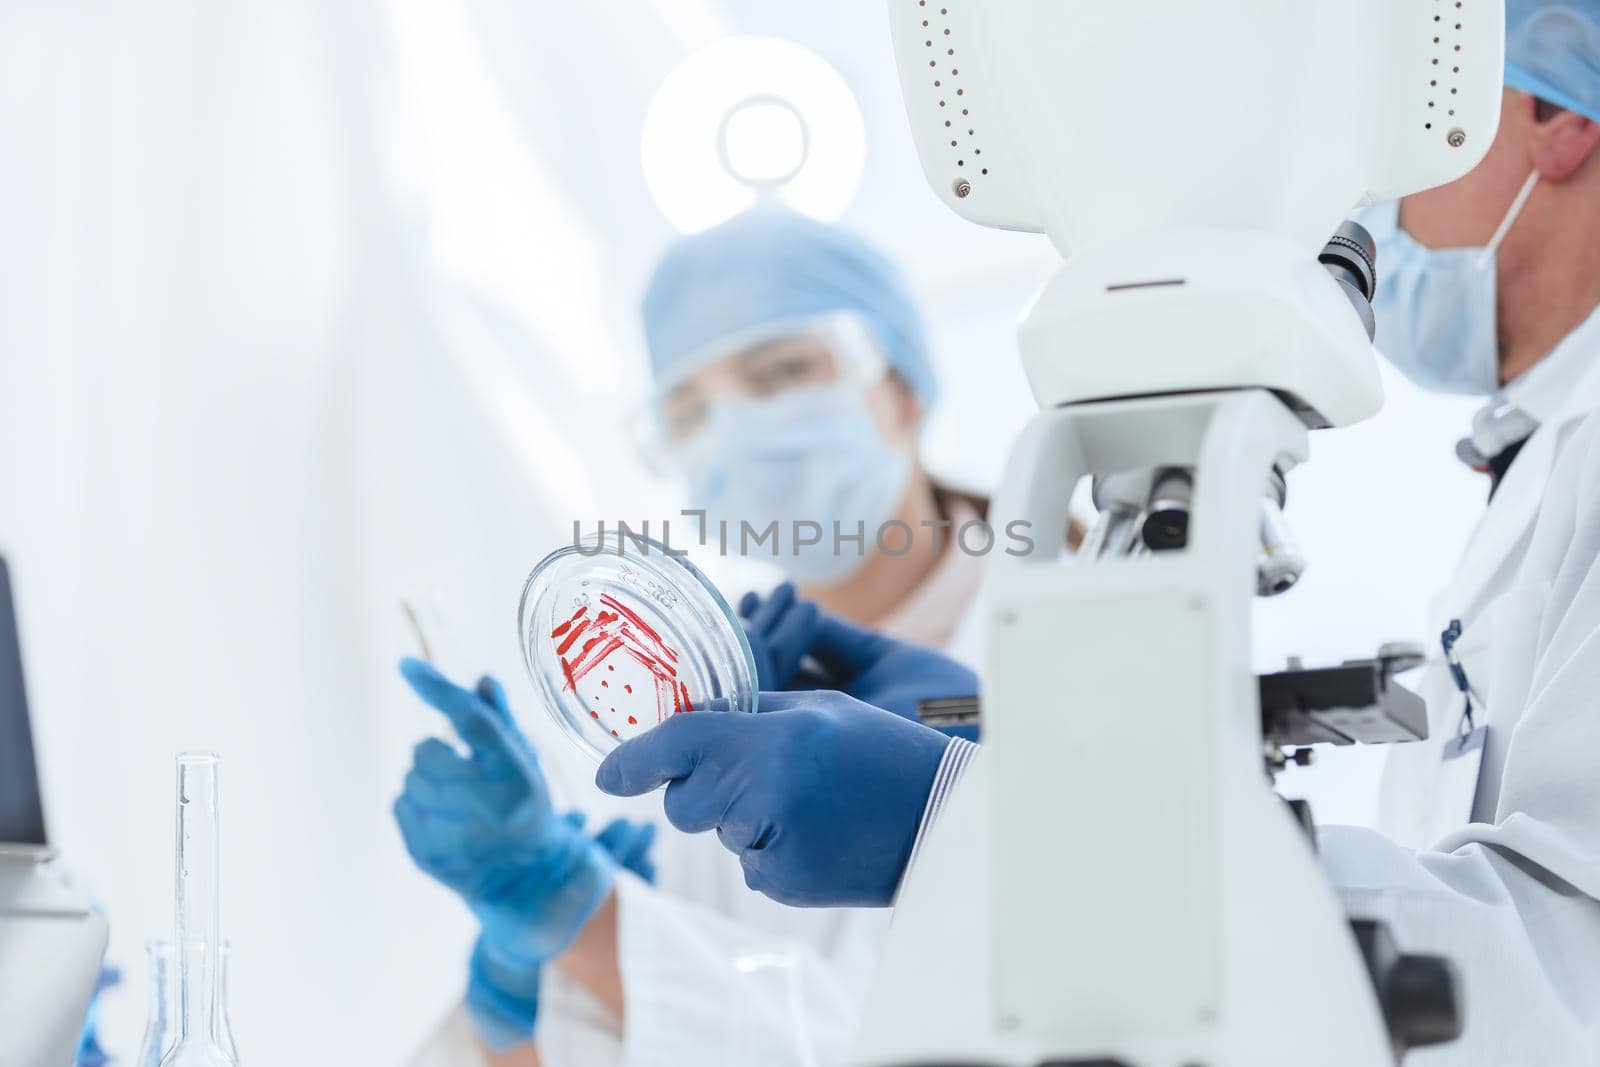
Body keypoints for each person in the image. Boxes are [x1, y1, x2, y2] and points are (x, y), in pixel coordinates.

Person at [595, 2, 1600, 1061]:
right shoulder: (1541, 463)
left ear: (1555, 117)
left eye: (781, 373)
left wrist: (975, 825)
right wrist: (1014, 774)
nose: (1374, 214)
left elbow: (1557, 969)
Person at [400, 208, 983, 1065]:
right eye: (689, 411)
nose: (738, 431)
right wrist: (521, 995)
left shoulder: (1104, 622)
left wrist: (584, 917)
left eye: (781, 371)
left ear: (901, 388)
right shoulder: (706, 695)